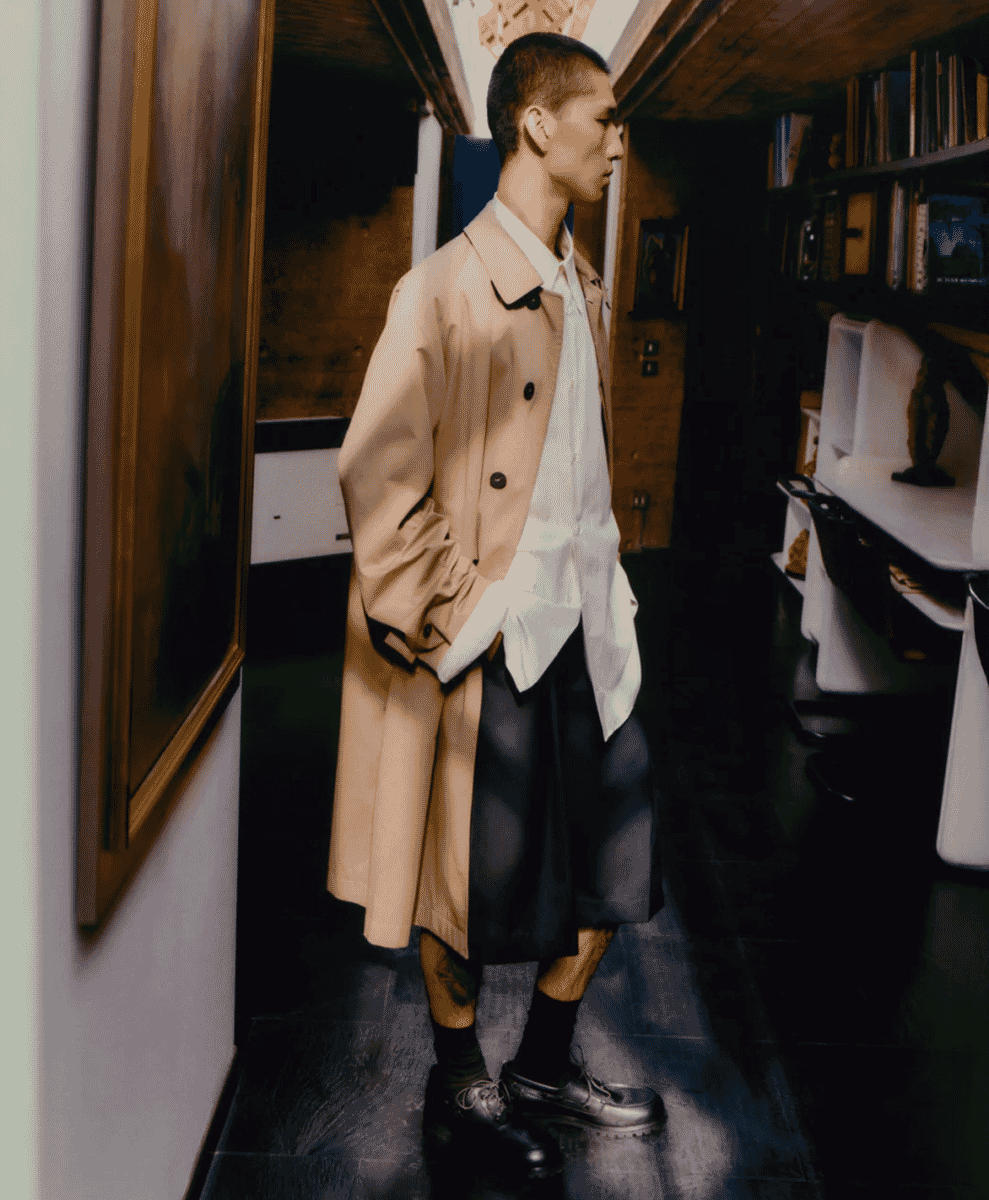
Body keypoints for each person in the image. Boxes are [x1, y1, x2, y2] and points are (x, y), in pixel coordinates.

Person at [327, 31, 665, 1177]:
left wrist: (605, 594)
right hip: (487, 640)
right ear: (536, 123)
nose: (619, 142)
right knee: (456, 885)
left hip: (589, 632)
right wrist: (459, 615)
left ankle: (543, 1065)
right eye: (604, 119)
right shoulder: (440, 292)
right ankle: (461, 1079)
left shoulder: (588, 287)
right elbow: (378, 480)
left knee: (618, 869)